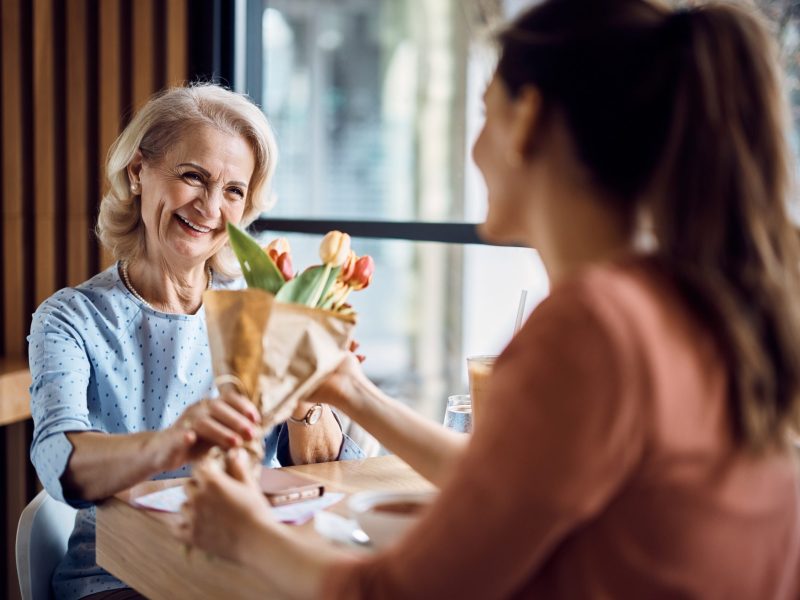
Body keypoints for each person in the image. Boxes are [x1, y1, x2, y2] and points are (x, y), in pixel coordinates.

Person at [179, 1, 800, 598]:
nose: (474, 152)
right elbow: (515, 485)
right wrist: (350, 390)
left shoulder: (593, 326)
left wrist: (245, 534)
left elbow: (393, 594)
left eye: (484, 112)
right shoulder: (689, 300)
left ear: (526, 119)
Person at [28, 83, 364, 600]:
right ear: (138, 172)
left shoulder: (262, 304)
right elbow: (58, 460)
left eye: (233, 190)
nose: (210, 206)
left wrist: (308, 403)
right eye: (194, 177)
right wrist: (172, 442)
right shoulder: (71, 318)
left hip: (249, 571)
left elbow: (332, 476)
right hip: (119, 578)